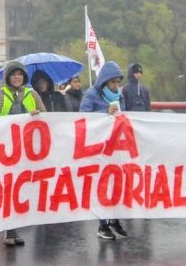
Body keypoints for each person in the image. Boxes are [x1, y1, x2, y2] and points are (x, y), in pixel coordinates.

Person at [0, 61, 45, 246]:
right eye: (13, 74)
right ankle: (9, 230)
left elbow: (46, 117)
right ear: (8, 77)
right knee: (8, 189)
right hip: (5, 152)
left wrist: (37, 115)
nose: (17, 77)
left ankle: (14, 228)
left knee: (22, 189)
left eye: (20, 74)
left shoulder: (32, 94)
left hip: (27, 151)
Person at [79, 61, 129, 241]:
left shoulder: (119, 96)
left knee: (117, 184)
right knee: (102, 185)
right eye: (112, 82)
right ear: (104, 81)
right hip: (99, 148)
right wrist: (104, 112)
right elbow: (83, 117)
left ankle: (114, 219)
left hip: (116, 146)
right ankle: (102, 226)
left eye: (117, 82)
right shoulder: (91, 95)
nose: (115, 85)